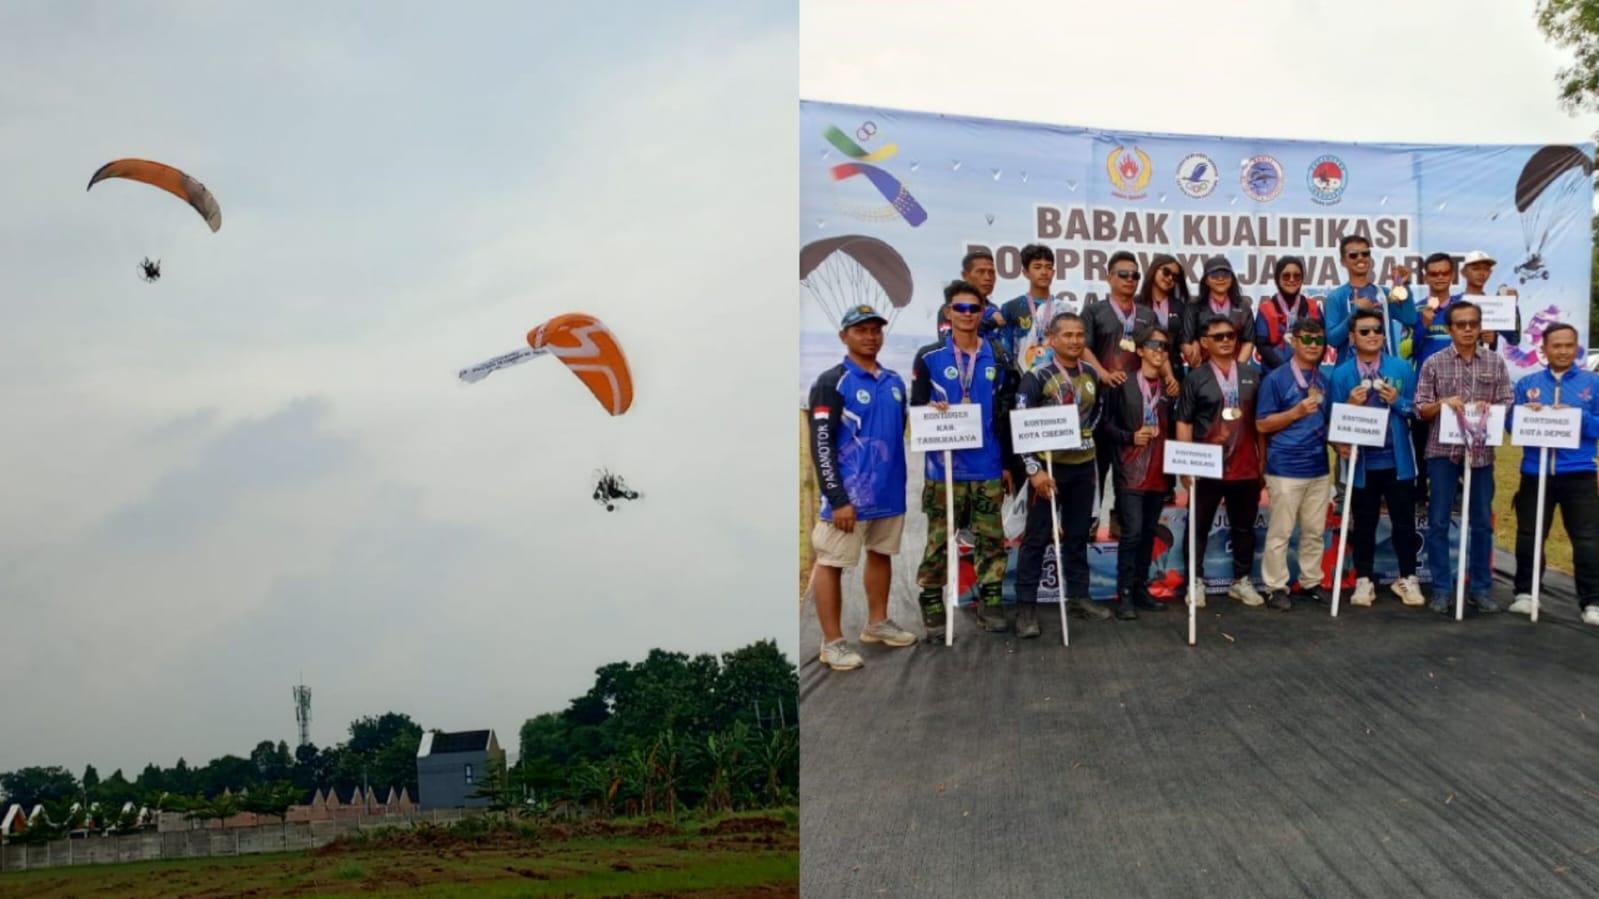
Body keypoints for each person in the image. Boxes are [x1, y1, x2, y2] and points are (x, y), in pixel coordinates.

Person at [807, 304, 916, 670]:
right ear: (844, 336)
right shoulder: (831, 381)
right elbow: (821, 444)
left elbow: (898, 430)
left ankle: (877, 623)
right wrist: (838, 498)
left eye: (875, 330)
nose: (870, 337)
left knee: (881, 554)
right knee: (831, 562)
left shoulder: (895, 381)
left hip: (887, 494)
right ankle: (833, 642)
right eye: (861, 330)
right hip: (848, 499)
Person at [912, 280, 1019, 638]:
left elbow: (1005, 416)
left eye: (975, 308)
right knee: (939, 539)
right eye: (961, 308)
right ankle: (931, 601)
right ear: (948, 313)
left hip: (987, 465)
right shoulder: (929, 357)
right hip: (944, 469)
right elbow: (916, 409)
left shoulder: (999, 357)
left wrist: (1006, 463)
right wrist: (930, 409)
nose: (968, 314)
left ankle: (990, 602)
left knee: (991, 538)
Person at [1011, 312, 1114, 636]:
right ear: (1052, 340)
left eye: (1079, 334)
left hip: (1083, 467)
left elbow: (1098, 413)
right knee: (1037, 538)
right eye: (1067, 335)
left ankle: (1079, 597)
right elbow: (1020, 426)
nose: (1074, 340)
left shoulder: (1091, 376)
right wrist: (1034, 471)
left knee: (1078, 533)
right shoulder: (1037, 377)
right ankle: (1025, 608)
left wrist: (1084, 434)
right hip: (1048, 470)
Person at [1415, 301, 1513, 615]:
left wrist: (1492, 408)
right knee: (1439, 521)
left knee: (1482, 522)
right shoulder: (1434, 362)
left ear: (1480, 325)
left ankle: (1481, 588)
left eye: (1473, 323)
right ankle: (1442, 588)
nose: (1468, 329)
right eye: (1461, 324)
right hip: (1443, 452)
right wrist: (1443, 403)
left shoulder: (1496, 362)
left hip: (1482, 454)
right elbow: (1420, 407)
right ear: (1450, 328)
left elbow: (1507, 401)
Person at [1328, 308, 1426, 607]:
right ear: (1352, 337)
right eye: (1364, 331)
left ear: (1384, 335)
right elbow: (1333, 421)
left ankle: (1407, 577)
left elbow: (1416, 410)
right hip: (1361, 463)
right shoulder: (1342, 373)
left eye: (1376, 330)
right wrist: (1349, 404)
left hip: (1397, 461)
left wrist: (1398, 401)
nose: (1372, 336)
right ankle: (1364, 579)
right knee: (1365, 522)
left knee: (1403, 522)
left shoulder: (1400, 368)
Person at [1508, 323, 1599, 626]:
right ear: (1543, 350)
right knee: (1530, 536)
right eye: (1556, 345)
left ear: (1576, 348)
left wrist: (1576, 417)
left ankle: (1592, 601)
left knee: (1586, 539)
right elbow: (1511, 425)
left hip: (1579, 473)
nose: (1562, 351)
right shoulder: (1528, 383)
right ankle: (1525, 593)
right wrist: (1526, 415)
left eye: (1568, 345)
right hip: (1536, 472)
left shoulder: (1592, 383)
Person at [1176, 314, 1266, 607]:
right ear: (1204, 342)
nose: (1226, 340)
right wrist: (1184, 465)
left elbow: (1260, 423)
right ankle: (1195, 580)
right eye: (1218, 337)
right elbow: (1185, 423)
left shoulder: (1252, 374)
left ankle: (1241, 580)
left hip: (1245, 465)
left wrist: (1262, 461)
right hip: (1206, 464)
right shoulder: (1195, 377)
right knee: (1198, 526)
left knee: (1244, 527)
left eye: (1230, 335)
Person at [1082, 250, 1163, 540]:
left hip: (1137, 399)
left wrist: (1169, 377)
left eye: (1135, 276)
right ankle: (1091, 520)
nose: (1130, 280)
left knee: (1129, 459)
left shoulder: (1147, 314)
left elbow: (1158, 349)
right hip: (1103, 397)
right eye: (1123, 274)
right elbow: (1083, 347)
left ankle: (1119, 518)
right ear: (1109, 277)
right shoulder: (1094, 311)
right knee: (1099, 459)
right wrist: (1103, 373)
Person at [1100, 323, 1177, 619]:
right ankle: (1125, 594)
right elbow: (1104, 426)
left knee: (1147, 533)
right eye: (1154, 346)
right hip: (1130, 471)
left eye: (1165, 347)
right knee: (1131, 533)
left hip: (1160, 472)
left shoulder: (1170, 390)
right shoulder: (1122, 384)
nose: (1160, 352)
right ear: (1141, 350)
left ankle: (1141, 587)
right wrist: (1129, 437)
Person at [1254, 318, 1332, 611]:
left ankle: (1311, 581)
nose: (1313, 346)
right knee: (1280, 533)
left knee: (1314, 531)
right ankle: (1275, 587)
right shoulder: (1276, 378)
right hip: (1285, 466)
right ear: (1294, 341)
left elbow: (1328, 423)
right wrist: (1295, 412)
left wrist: (1342, 443)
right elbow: (1262, 424)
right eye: (1307, 339)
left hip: (1318, 467)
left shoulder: (1323, 379)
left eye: (1318, 340)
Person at [1410, 252, 1462, 501]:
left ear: (1452, 275)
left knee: (1456, 449)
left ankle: (1456, 497)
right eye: (1434, 273)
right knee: (1421, 450)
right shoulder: (1418, 308)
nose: (1439, 277)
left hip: (1457, 389)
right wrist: (1423, 325)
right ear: (1426, 276)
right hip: (1426, 392)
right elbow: (1409, 350)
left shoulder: (1462, 307)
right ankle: (1420, 498)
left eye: (1444, 272)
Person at [1323, 234, 1415, 360]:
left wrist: (1404, 285)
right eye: (1353, 255)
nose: (1360, 258)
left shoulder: (1383, 294)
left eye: (1365, 254)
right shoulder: (1336, 297)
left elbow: (1410, 318)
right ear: (1343, 261)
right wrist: (1355, 313)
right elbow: (1332, 340)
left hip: (1385, 371)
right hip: (1350, 373)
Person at [998, 243, 1072, 373]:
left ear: (1053, 272)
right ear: (1025, 272)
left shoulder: (1065, 310)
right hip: (1021, 381)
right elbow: (1004, 350)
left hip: (1057, 382)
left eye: (1048, 267)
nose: (1044, 272)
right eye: (1037, 267)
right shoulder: (1011, 307)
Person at [1254, 256, 1323, 372]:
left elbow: (1322, 342)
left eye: (1297, 276)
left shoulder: (1313, 308)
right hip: (1273, 374)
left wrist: (1308, 366)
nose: (1291, 280)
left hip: (1307, 372)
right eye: (1286, 276)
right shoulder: (1265, 309)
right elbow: (1262, 346)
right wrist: (1284, 370)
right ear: (1277, 279)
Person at [1183, 256, 1255, 367]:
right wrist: (1201, 370)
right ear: (1206, 280)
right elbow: (1187, 341)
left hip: (1235, 367)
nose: (1220, 278)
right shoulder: (1194, 306)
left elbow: (1248, 341)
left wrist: (1237, 369)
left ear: (1232, 279)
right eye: (1214, 275)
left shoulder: (1243, 307)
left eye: (1225, 275)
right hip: (1203, 370)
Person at [1456, 250, 1522, 351]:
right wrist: (1476, 335)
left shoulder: (1495, 306)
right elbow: (1442, 338)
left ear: (1490, 273)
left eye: (1486, 269)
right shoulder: (1453, 303)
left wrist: (1513, 306)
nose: (1481, 273)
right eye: (1475, 269)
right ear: (1463, 272)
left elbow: (1514, 339)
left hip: (1487, 364)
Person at [936, 249, 1004, 338]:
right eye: (980, 272)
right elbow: (948, 340)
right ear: (965, 275)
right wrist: (991, 322)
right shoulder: (953, 308)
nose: (988, 277)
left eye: (991, 272)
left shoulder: (994, 309)